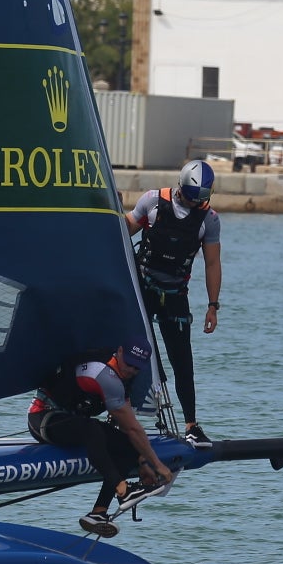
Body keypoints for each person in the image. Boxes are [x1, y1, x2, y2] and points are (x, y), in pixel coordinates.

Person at [28, 341, 174, 538]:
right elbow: (133, 428)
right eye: (128, 363)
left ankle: (98, 513)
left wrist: (142, 461)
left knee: (129, 446)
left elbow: (127, 425)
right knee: (93, 430)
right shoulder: (105, 376)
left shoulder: (123, 377)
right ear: (120, 352)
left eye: (136, 367)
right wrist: (158, 465)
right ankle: (123, 490)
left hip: (72, 421)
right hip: (43, 419)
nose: (130, 370)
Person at [124, 159, 222, 447]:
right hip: (144, 289)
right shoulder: (152, 202)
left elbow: (213, 264)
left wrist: (213, 305)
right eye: (193, 197)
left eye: (202, 199)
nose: (196, 203)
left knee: (183, 362)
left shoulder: (209, 220)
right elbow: (123, 229)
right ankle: (123, 416)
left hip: (176, 294)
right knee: (135, 354)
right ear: (181, 187)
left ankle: (191, 424)